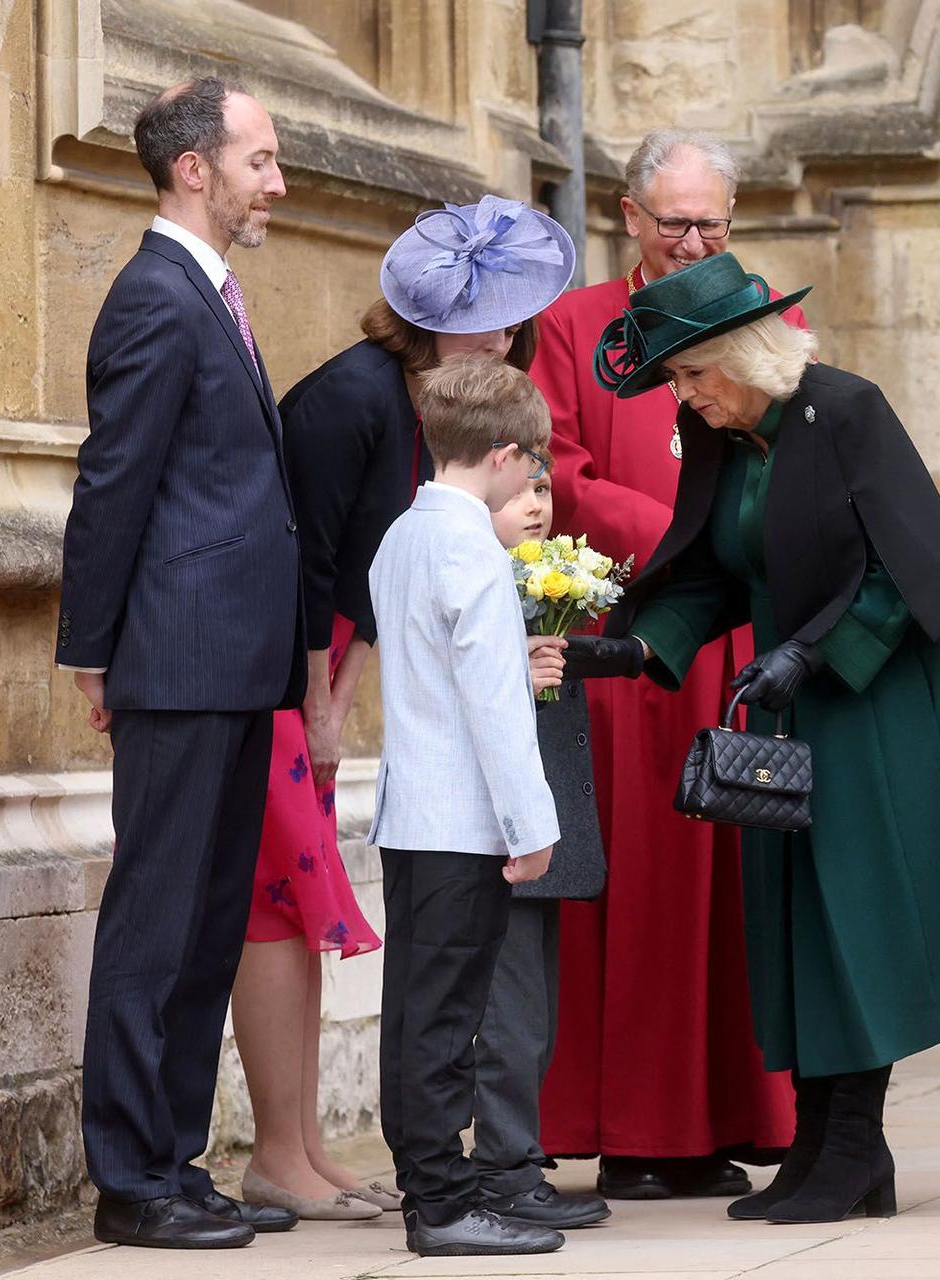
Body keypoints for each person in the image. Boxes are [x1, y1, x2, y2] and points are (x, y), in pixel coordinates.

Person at [595, 253, 940, 1224]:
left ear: (745, 353)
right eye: (674, 377)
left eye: (694, 371)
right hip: (790, 697)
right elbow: (709, 570)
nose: (684, 393)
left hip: (874, 692)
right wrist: (635, 649)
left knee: (855, 915)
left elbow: (902, 569)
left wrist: (810, 655)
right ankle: (822, 1144)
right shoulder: (721, 433)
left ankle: (856, 1144)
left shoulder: (845, 409)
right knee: (794, 915)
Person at [231, 195, 575, 1222]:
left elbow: (388, 578)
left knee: (338, 916)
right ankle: (283, 1149)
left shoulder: (443, 444)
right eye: (490, 320)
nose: (509, 339)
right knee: (290, 899)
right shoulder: (353, 399)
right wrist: (318, 696)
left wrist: (350, 682)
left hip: (341, 664)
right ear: (433, 315)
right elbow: (311, 560)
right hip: (286, 667)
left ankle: (314, 1150)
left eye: (517, 323)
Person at [529, 128, 800, 1201]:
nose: (694, 241)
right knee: (643, 891)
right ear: (629, 217)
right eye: (674, 221)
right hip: (633, 646)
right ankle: (635, 1122)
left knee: (735, 885)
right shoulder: (573, 325)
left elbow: (798, 444)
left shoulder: (765, 313)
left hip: (737, 640)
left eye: (713, 222)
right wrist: (676, 534)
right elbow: (555, 464)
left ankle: (730, 1115)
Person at [56, 77, 301, 1249]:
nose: (279, 182)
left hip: (236, 661)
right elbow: (115, 485)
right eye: (261, 159)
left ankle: (174, 1156)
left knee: (208, 925)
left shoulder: (212, 292)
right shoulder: (155, 295)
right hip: (176, 655)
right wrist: (91, 652)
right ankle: (129, 1178)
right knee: (156, 922)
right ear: (194, 168)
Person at [367, 355, 565, 1258]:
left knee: (415, 1012)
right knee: (447, 1020)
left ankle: (429, 1188)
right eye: (535, 462)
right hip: (464, 825)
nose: (535, 478)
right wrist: (534, 828)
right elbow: (493, 708)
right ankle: (443, 1204)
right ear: (505, 454)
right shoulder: (475, 556)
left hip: (412, 815)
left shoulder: (403, 535)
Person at [472, 472, 641, 1229]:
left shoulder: (542, 582)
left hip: (546, 832)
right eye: (516, 494)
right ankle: (501, 1170)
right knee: (509, 1016)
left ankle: (515, 1157)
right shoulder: (477, 583)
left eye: (543, 487)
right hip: (504, 838)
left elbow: (568, 659)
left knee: (536, 1012)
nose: (537, 504)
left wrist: (639, 650)